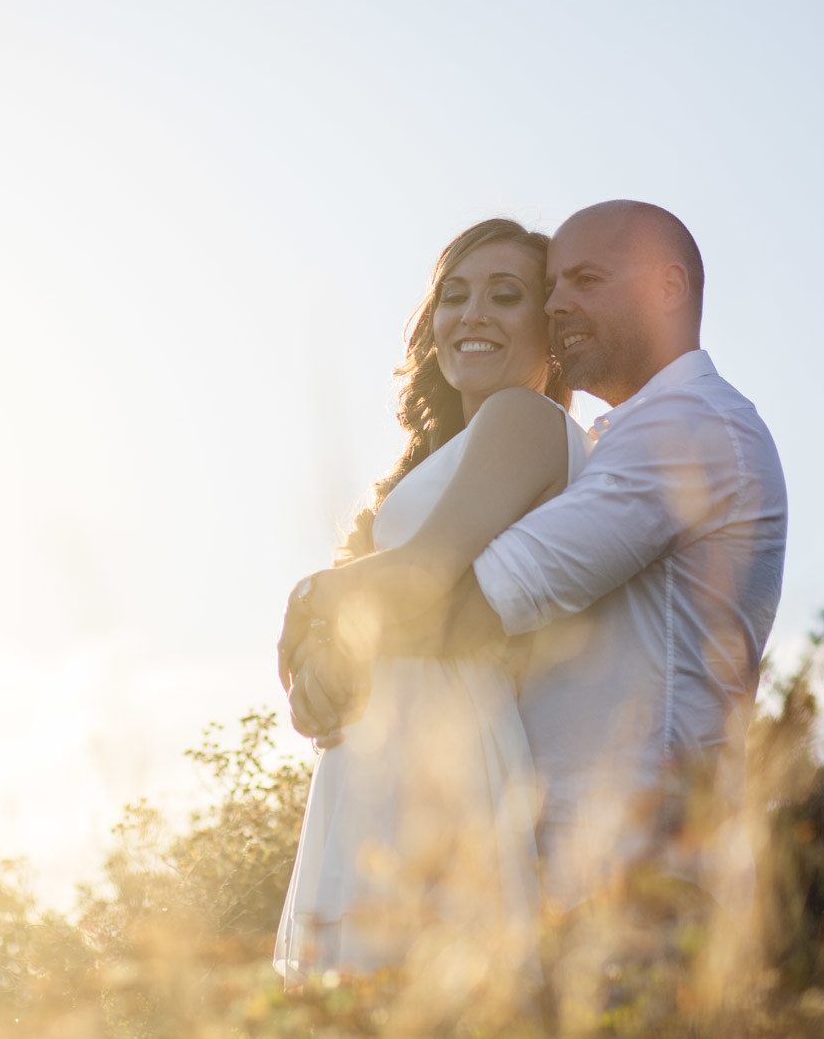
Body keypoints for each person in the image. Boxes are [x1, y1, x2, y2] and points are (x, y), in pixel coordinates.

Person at [284, 201, 788, 972]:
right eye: (552, 288)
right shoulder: (608, 444)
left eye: (580, 281)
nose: (559, 306)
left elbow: (470, 607)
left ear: (667, 288)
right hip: (565, 863)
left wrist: (317, 610)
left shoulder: (687, 430)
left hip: (642, 873)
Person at [272, 218, 591, 994]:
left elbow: (422, 575)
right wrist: (317, 668)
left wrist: (305, 595)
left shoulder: (528, 416)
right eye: (453, 296)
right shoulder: (452, 449)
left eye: (504, 295)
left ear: (549, 330)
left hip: (438, 742)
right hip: (384, 738)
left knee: (416, 984)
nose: (471, 314)